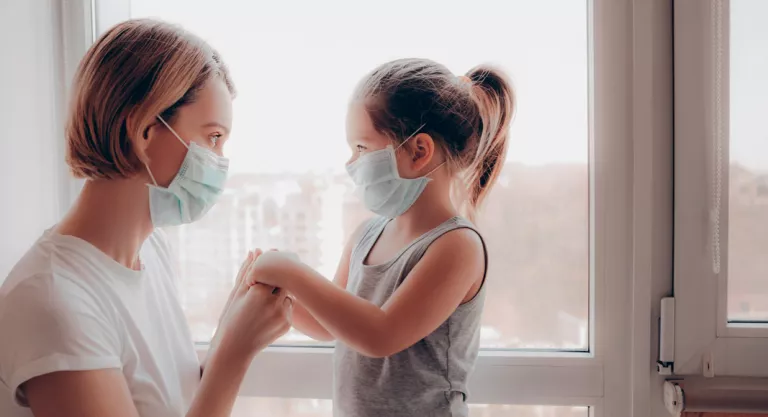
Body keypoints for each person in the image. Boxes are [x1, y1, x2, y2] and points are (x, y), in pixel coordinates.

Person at [0, 19, 292, 417]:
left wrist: (231, 328)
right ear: (145, 130)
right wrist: (234, 356)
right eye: (213, 137)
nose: (219, 161)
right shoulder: (54, 300)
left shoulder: (151, 252)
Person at [247, 58, 515, 416]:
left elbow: (380, 335)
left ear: (419, 151)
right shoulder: (367, 233)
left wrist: (292, 272)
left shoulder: (457, 245)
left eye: (361, 148)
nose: (350, 163)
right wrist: (277, 294)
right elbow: (332, 325)